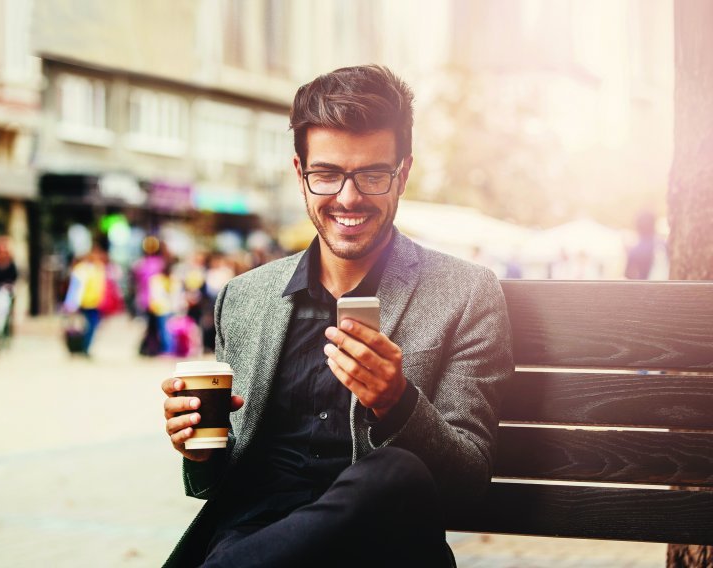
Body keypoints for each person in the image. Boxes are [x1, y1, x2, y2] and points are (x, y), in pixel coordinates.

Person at [160, 65, 514, 567]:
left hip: (381, 547)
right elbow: (220, 484)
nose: (348, 198)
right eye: (326, 174)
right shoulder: (245, 297)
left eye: (372, 174)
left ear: (403, 173)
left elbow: (467, 482)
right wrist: (199, 449)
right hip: (253, 540)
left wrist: (398, 402)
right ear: (300, 173)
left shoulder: (465, 293)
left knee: (395, 472)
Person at [63, 242, 108, 356]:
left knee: (91, 326)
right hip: (84, 302)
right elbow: (75, 288)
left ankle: (85, 347)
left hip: (94, 302)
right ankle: (83, 347)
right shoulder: (82, 269)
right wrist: (71, 303)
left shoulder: (98, 268)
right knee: (88, 326)